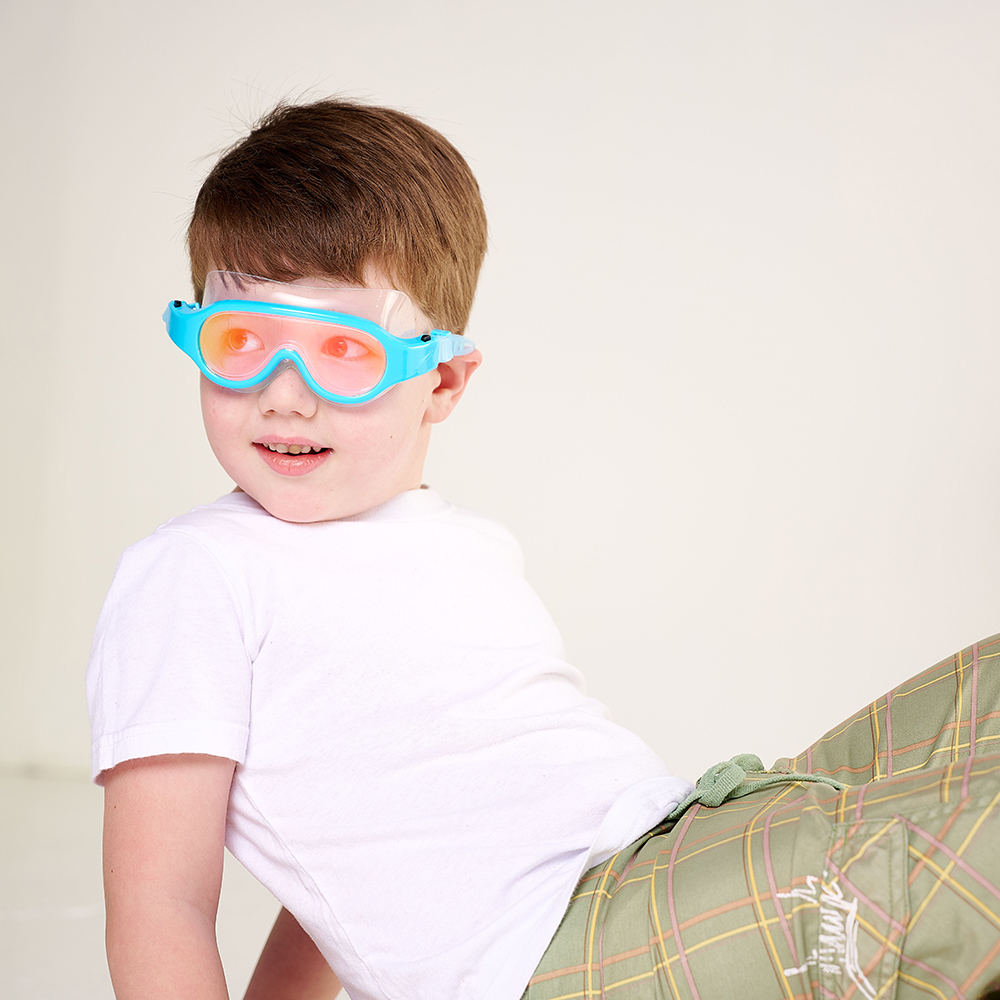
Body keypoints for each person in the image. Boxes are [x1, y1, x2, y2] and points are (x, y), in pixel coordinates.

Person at [87, 98, 1000, 1000]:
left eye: (342, 350)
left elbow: (350, 844)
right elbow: (161, 902)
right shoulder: (196, 572)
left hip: (672, 842)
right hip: (572, 955)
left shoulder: (464, 544)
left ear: (442, 380)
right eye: (241, 341)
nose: (282, 394)